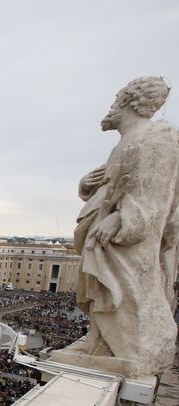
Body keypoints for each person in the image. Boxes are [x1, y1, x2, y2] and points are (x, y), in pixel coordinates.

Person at [71, 76, 178, 377]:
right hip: (110, 232)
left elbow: (157, 193)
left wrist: (124, 217)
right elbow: (110, 189)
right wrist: (85, 186)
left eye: (117, 98)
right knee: (107, 292)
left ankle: (116, 345)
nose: (111, 104)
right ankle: (99, 340)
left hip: (127, 235)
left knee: (120, 291)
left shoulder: (159, 136)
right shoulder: (125, 143)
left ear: (130, 101)